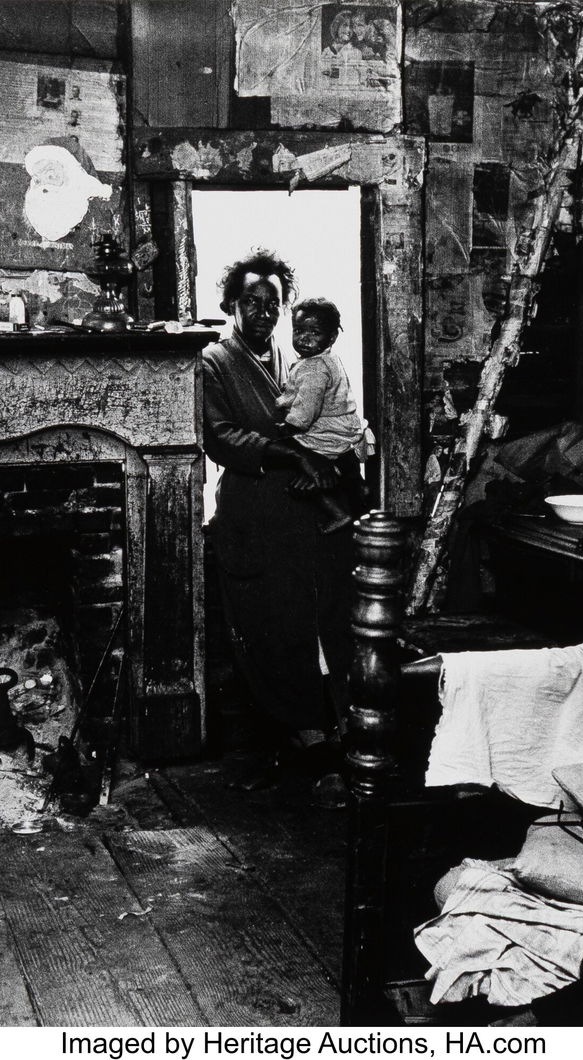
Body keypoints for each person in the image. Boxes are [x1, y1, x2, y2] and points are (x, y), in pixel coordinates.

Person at [201, 249, 358, 803]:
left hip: (305, 513)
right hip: (254, 514)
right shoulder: (215, 362)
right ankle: (293, 740)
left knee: (319, 622)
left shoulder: (298, 360)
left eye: (272, 304)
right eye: (252, 301)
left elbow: (324, 419)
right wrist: (292, 454)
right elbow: (219, 436)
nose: (263, 312)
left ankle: (330, 736)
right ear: (231, 304)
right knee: (269, 627)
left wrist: (331, 457)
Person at [275, 298, 369, 534]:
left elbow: (306, 410)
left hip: (325, 435)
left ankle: (338, 514)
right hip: (344, 432)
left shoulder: (314, 368)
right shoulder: (328, 359)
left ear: (332, 337)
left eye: (314, 332)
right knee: (349, 478)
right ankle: (359, 492)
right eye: (298, 330)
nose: (304, 339)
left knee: (304, 470)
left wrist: (288, 428)